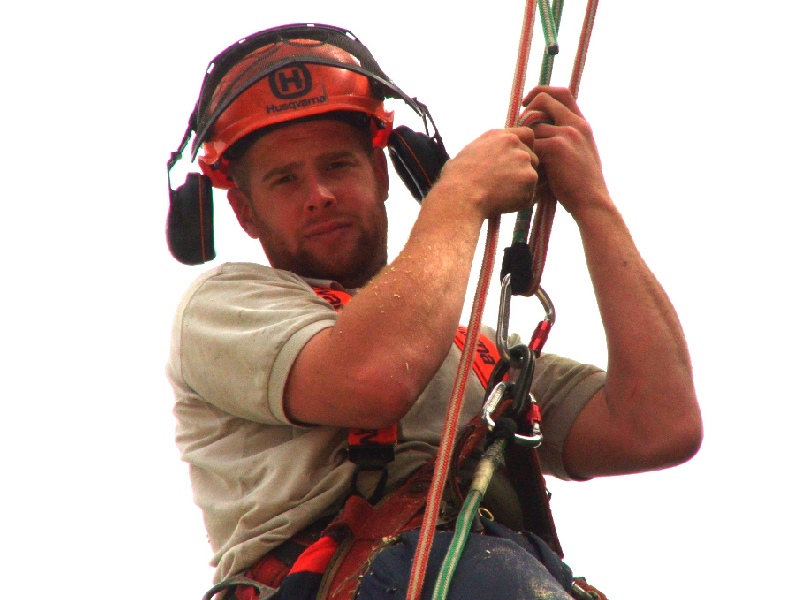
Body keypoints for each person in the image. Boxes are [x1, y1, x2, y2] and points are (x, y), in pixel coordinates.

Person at [167, 23, 703, 600]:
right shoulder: (224, 307)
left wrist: (593, 204)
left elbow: (660, 425)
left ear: (380, 174)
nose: (318, 194)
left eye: (338, 165)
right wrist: (460, 194)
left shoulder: (477, 356)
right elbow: (374, 377)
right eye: (285, 179)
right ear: (245, 213)